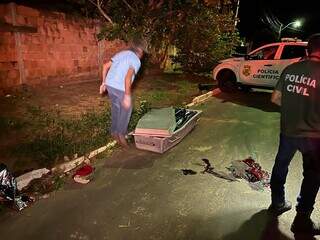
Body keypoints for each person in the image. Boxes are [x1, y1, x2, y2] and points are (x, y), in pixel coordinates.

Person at [269, 33, 320, 235]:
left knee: (281, 165)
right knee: (313, 176)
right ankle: (301, 219)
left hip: (288, 131)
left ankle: (277, 203)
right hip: (315, 137)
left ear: (308, 49)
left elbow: (275, 99)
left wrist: (293, 108)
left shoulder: (290, 69)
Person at [99, 39, 147, 147]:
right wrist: (127, 95)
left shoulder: (121, 53)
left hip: (110, 85)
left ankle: (114, 132)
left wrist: (103, 83)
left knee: (116, 108)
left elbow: (105, 66)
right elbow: (128, 78)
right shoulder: (136, 60)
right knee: (126, 110)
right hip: (120, 87)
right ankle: (121, 134)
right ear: (140, 51)